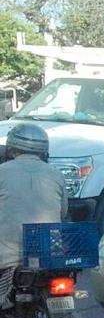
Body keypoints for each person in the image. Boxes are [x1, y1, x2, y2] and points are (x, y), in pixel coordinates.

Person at [0, 124, 68, 308]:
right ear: (44, 152)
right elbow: (63, 212)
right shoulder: (56, 174)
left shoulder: (2, 172)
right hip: (50, 255)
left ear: (11, 148)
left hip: (8, 259)